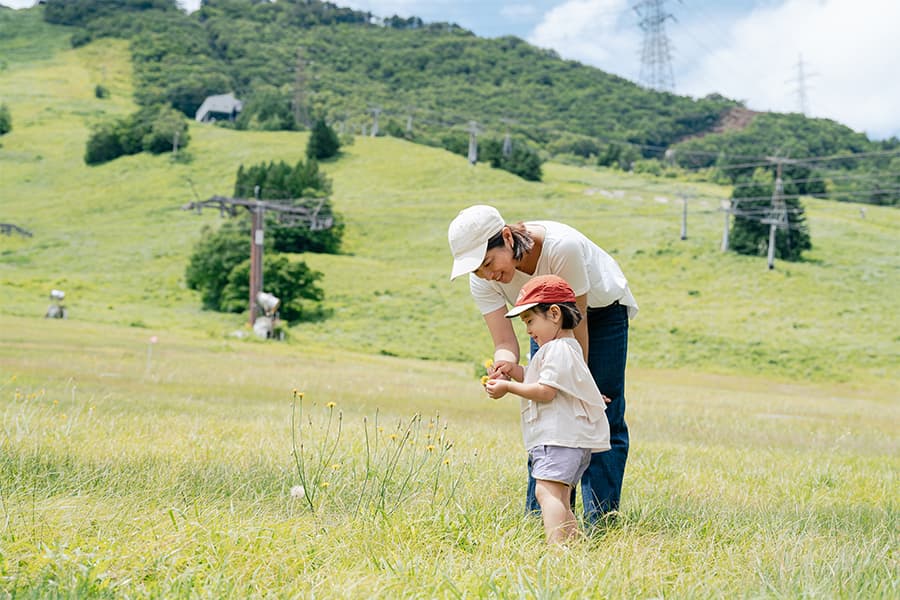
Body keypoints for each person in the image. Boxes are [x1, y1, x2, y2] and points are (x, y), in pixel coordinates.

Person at [448, 204, 638, 525]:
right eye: (477, 269)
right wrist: (503, 366)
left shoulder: (562, 248)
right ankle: (545, 523)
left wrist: (582, 391)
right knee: (550, 418)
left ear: (507, 237)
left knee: (599, 413)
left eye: (489, 263)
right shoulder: (482, 280)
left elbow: (575, 335)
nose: (487, 274)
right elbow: (506, 343)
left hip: (598, 314)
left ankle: (600, 523)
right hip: (540, 317)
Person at [484, 275, 610, 543]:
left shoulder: (558, 349)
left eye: (530, 320)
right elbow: (539, 377)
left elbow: (545, 390)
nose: (528, 330)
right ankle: (573, 546)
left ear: (554, 314)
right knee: (558, 497)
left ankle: (557, 550)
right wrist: (515, 371)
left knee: (546, 493)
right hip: (565, 439)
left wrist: (508, 388)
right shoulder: (562, 348)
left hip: (559, 439)